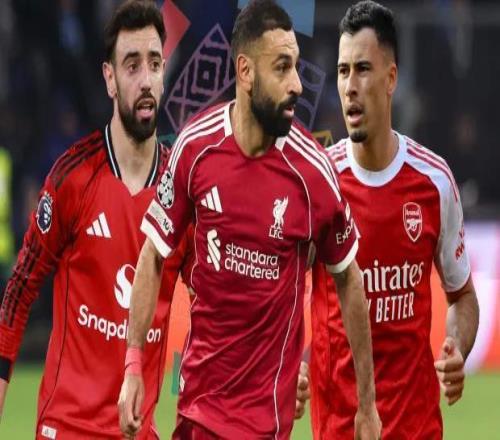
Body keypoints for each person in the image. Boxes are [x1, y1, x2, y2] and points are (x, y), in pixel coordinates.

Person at [118, 1, 381, 439]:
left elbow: (349, 279)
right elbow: (152, 256)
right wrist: (132, 368)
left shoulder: (312, 172)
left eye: (296, 66)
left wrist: (366, 405)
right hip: (198, 416)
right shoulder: (196, 148)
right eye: (282, 68)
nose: (296, 84)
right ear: (245, 71)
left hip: (266, 426)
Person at [0, 1, 183, 438]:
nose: (145, 79)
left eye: (154, 64)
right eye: (131, 65)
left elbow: (215, 304)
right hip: (68, 427)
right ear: (109, 79)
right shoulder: (73, 178)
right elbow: (20, 291)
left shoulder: (182, 192)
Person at [309, 1, 480, 439]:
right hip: (340, 428)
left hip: (415, 427)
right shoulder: (318, 183)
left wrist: (456, 348)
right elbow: (285, 297)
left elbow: (462, 296)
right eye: (343, 71)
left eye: (363, 69)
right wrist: (293, 367)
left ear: (391, 79)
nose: (350, 86)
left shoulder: (433, 181)